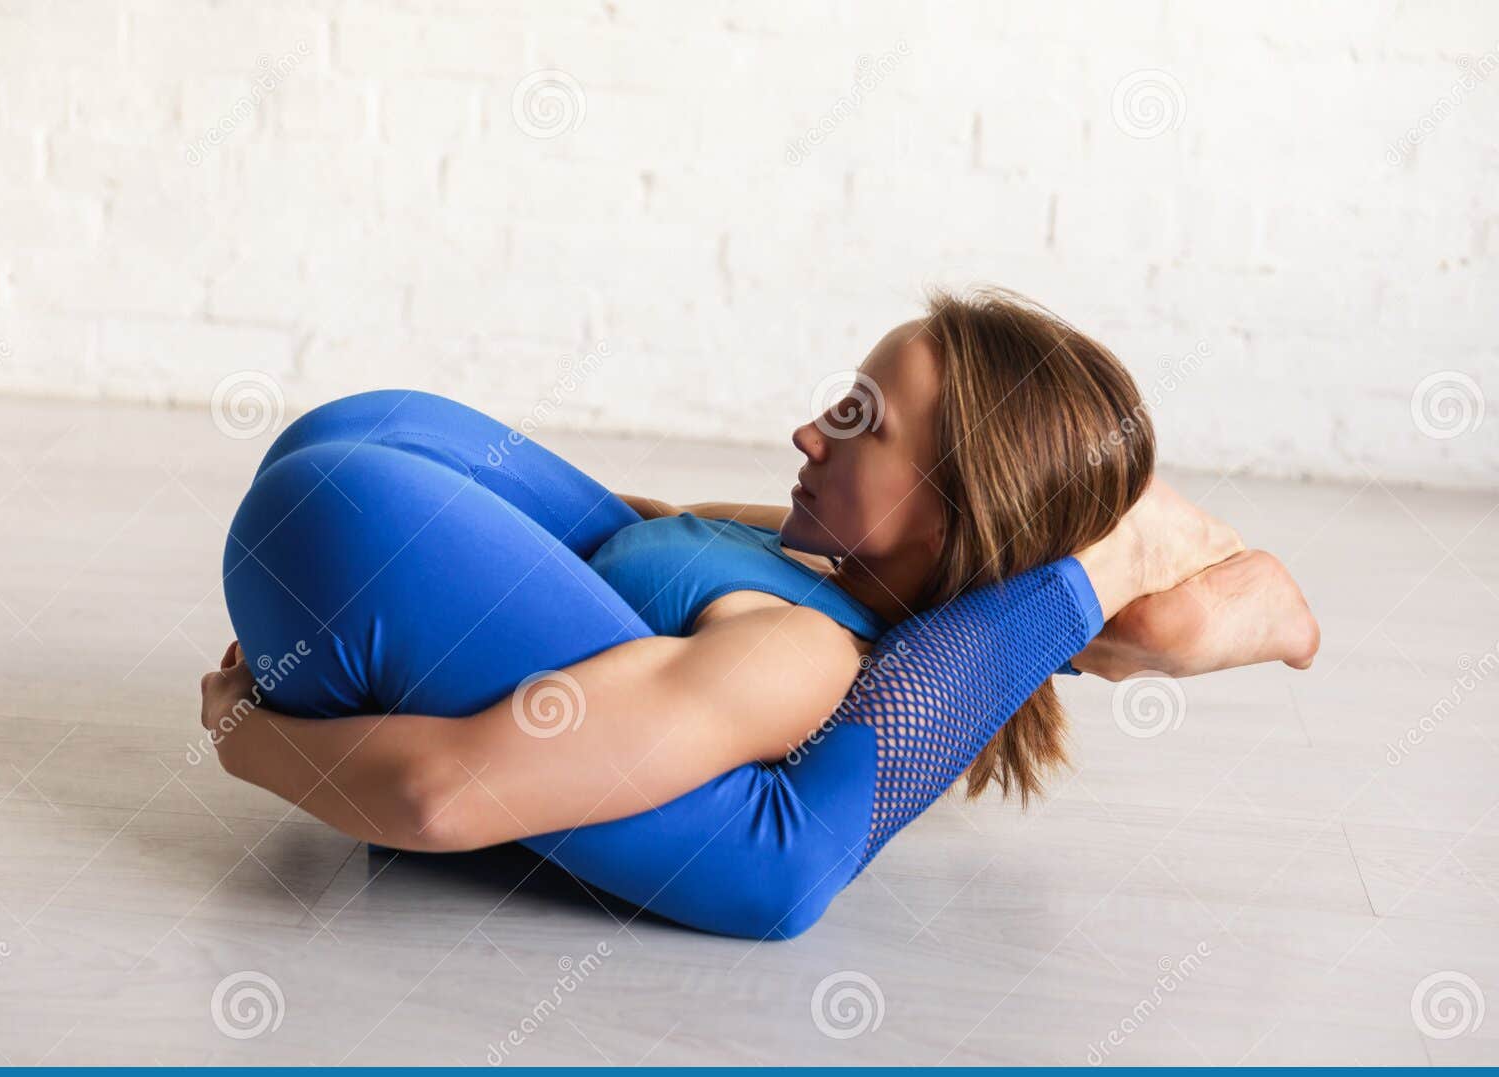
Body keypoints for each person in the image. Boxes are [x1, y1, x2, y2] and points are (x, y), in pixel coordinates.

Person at [200, 287, 1319, 938]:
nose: (808, 431)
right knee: (354, 453)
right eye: (841, 398)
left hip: (440, 709)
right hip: (931, 571)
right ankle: (1127, 595)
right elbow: (631, 534)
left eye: (857, 421)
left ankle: (1131, 576)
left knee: (342, 500)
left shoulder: (799, 650)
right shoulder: (804, 557)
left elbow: (441, 795)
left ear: (948, 511)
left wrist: (247, 739)